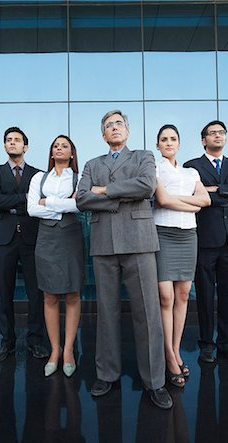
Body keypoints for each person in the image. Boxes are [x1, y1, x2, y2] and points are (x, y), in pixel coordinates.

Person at [76, 109, 172, 410]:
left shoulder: (144, 156)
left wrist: (105, 191)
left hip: (140, 242)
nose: (114, 128)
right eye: (108, 125)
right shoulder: (92, 164)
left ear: (127, 131)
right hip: (104, 243)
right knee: (106, 312)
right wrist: (120, 196)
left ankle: (155, 381)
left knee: (148, 313)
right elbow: (81, 199)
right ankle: (107, 374)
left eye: (119, 124)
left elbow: (145, 186)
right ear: (103, 135)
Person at [184, 120, 228, 364]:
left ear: (225, 138)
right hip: (205, 239)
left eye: (221, 133)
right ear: (203, 140)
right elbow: (193, 196)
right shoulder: (192, 166)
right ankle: (206, 344)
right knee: (204, 295)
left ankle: (226, 343)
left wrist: (215, 189)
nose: (218, 136)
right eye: (212, 133)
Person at [154, 124, 210, 387]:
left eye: (173, 138)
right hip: (163, 233)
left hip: (188, 235)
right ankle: (167, 354)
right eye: (164, 139)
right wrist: (189, 201)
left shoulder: (191, 171)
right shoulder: (154, 168)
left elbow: (206, 202)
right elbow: (162, 201)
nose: (168, 142)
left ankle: (175, 350)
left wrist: (177, 198)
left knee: (183, 294)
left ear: (179, 143)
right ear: (158, 145)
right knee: (165, 296)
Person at [0, 127, 48, 363]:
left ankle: (35, 341)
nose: (12, 143)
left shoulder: (38, 174)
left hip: (32, 237)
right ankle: (7, 343)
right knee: (5, 293)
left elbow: (40, 203)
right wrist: (26, 200)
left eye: (17, 140)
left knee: (36, 292)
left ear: (26, 146)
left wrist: (11, 203)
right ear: (4, 146)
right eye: (8, 140)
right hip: (4, 238)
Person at [27, 135, 84, 377]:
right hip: (46, 239)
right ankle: (54, 350)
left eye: (65, 146)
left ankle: (69, 350)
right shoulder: (39, 178)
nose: (59, 148)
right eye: (55, 146)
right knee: (49, 294)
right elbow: (32, 209)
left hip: (70, 237)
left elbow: (79, 206)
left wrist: (48, 202)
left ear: (72, 153)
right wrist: (61, 205)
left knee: (72, 293)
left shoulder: (79, 178)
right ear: (51, 153)